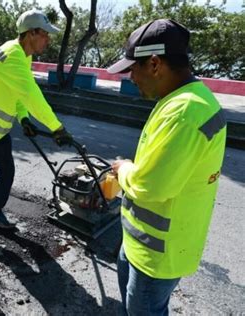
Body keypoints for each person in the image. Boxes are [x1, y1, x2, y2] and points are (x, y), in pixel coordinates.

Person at [107, 19, 227, 315]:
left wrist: (123, 169)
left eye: (133, 68)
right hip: (142, 243)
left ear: (155, 64)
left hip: (157, 254)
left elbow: (152, 186)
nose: (130, 77)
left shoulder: (185, 111)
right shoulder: (180, 100)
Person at [0, 9, 73, 229]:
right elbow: (32, 95)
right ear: (31, 33)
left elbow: (19, 93)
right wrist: (56, 128)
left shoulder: (23, 55)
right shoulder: (12, 55)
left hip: (0, 131)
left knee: (6, 172)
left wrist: (23, 119)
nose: (48, 39)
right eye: (45, 34)